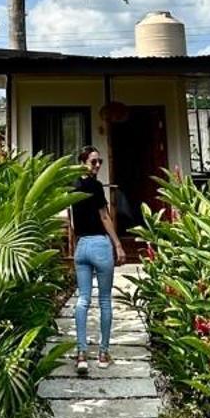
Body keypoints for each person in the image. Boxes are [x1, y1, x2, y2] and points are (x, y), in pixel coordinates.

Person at [66, 144, 128, 378]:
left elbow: (71, 220)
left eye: (100, 161)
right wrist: (118, 245)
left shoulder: (72, 185)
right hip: (100, 245)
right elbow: (104, 216)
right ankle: (102, 353)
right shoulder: (95, 186)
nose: (98, 165)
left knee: (82, 299)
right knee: (104, 300)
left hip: (82, 246)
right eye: (94, 162)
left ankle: (81, 354)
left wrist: (74, 244)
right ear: (83, 162)